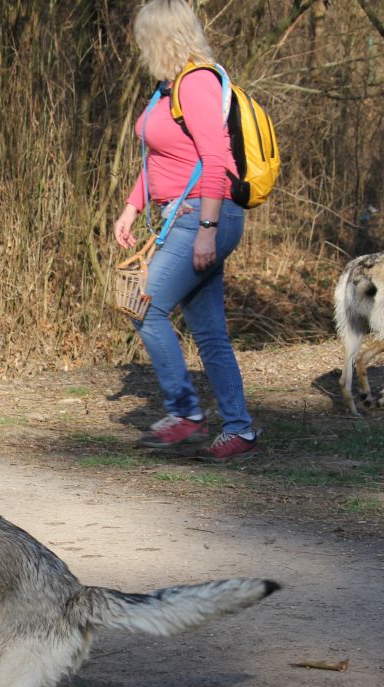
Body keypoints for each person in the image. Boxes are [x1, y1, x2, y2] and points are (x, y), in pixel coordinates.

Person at [113, 0, 258, 463]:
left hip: (204, 214)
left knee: (147, 307)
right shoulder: (166, 88)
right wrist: (131, 209)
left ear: (160, 36)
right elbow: (158, 160)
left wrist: (207, 230)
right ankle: (240, 430)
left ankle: (186, 414)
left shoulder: (195, 83)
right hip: (184, 214)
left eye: (142, 36)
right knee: (209, 332)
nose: (138, 45)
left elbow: (216, 161)